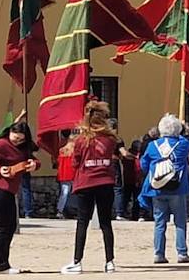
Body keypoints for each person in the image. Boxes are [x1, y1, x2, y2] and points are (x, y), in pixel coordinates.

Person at [60, 101, 122, 274]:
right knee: (106, 223)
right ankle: (110, 262)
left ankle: (77, 261)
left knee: (82, 222)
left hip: (86, 183)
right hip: (106, 182)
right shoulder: (110, 140)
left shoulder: (81, 140)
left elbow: (75, 163)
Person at [0, 121, 40, 274]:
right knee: (3, 227)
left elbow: (32, 158)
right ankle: (0, 265)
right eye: (15, 137)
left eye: (21, 139)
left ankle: (4, 263)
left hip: (10, 189)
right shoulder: (0, 144)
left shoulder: (23, 147)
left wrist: (35, 164)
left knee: (10, 226)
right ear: (9, 132)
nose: (17, 141)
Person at [140, 113, 189, 265]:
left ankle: (159, 253)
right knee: (180, 221)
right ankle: (182, 252)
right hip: (177, 187)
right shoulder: (183, 144)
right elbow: (188, 140)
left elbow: (143, 164)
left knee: (159, 222)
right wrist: (184, 130)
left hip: (157, 187)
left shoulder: (153, 145)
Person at [55, 140, 75, 219]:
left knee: (64, 193)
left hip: (63, 175)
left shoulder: (61, 152)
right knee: (70, 193)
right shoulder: (73, 153)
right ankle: (67, 210)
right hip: (71, 175)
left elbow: (57, 162)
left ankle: (60, 210)